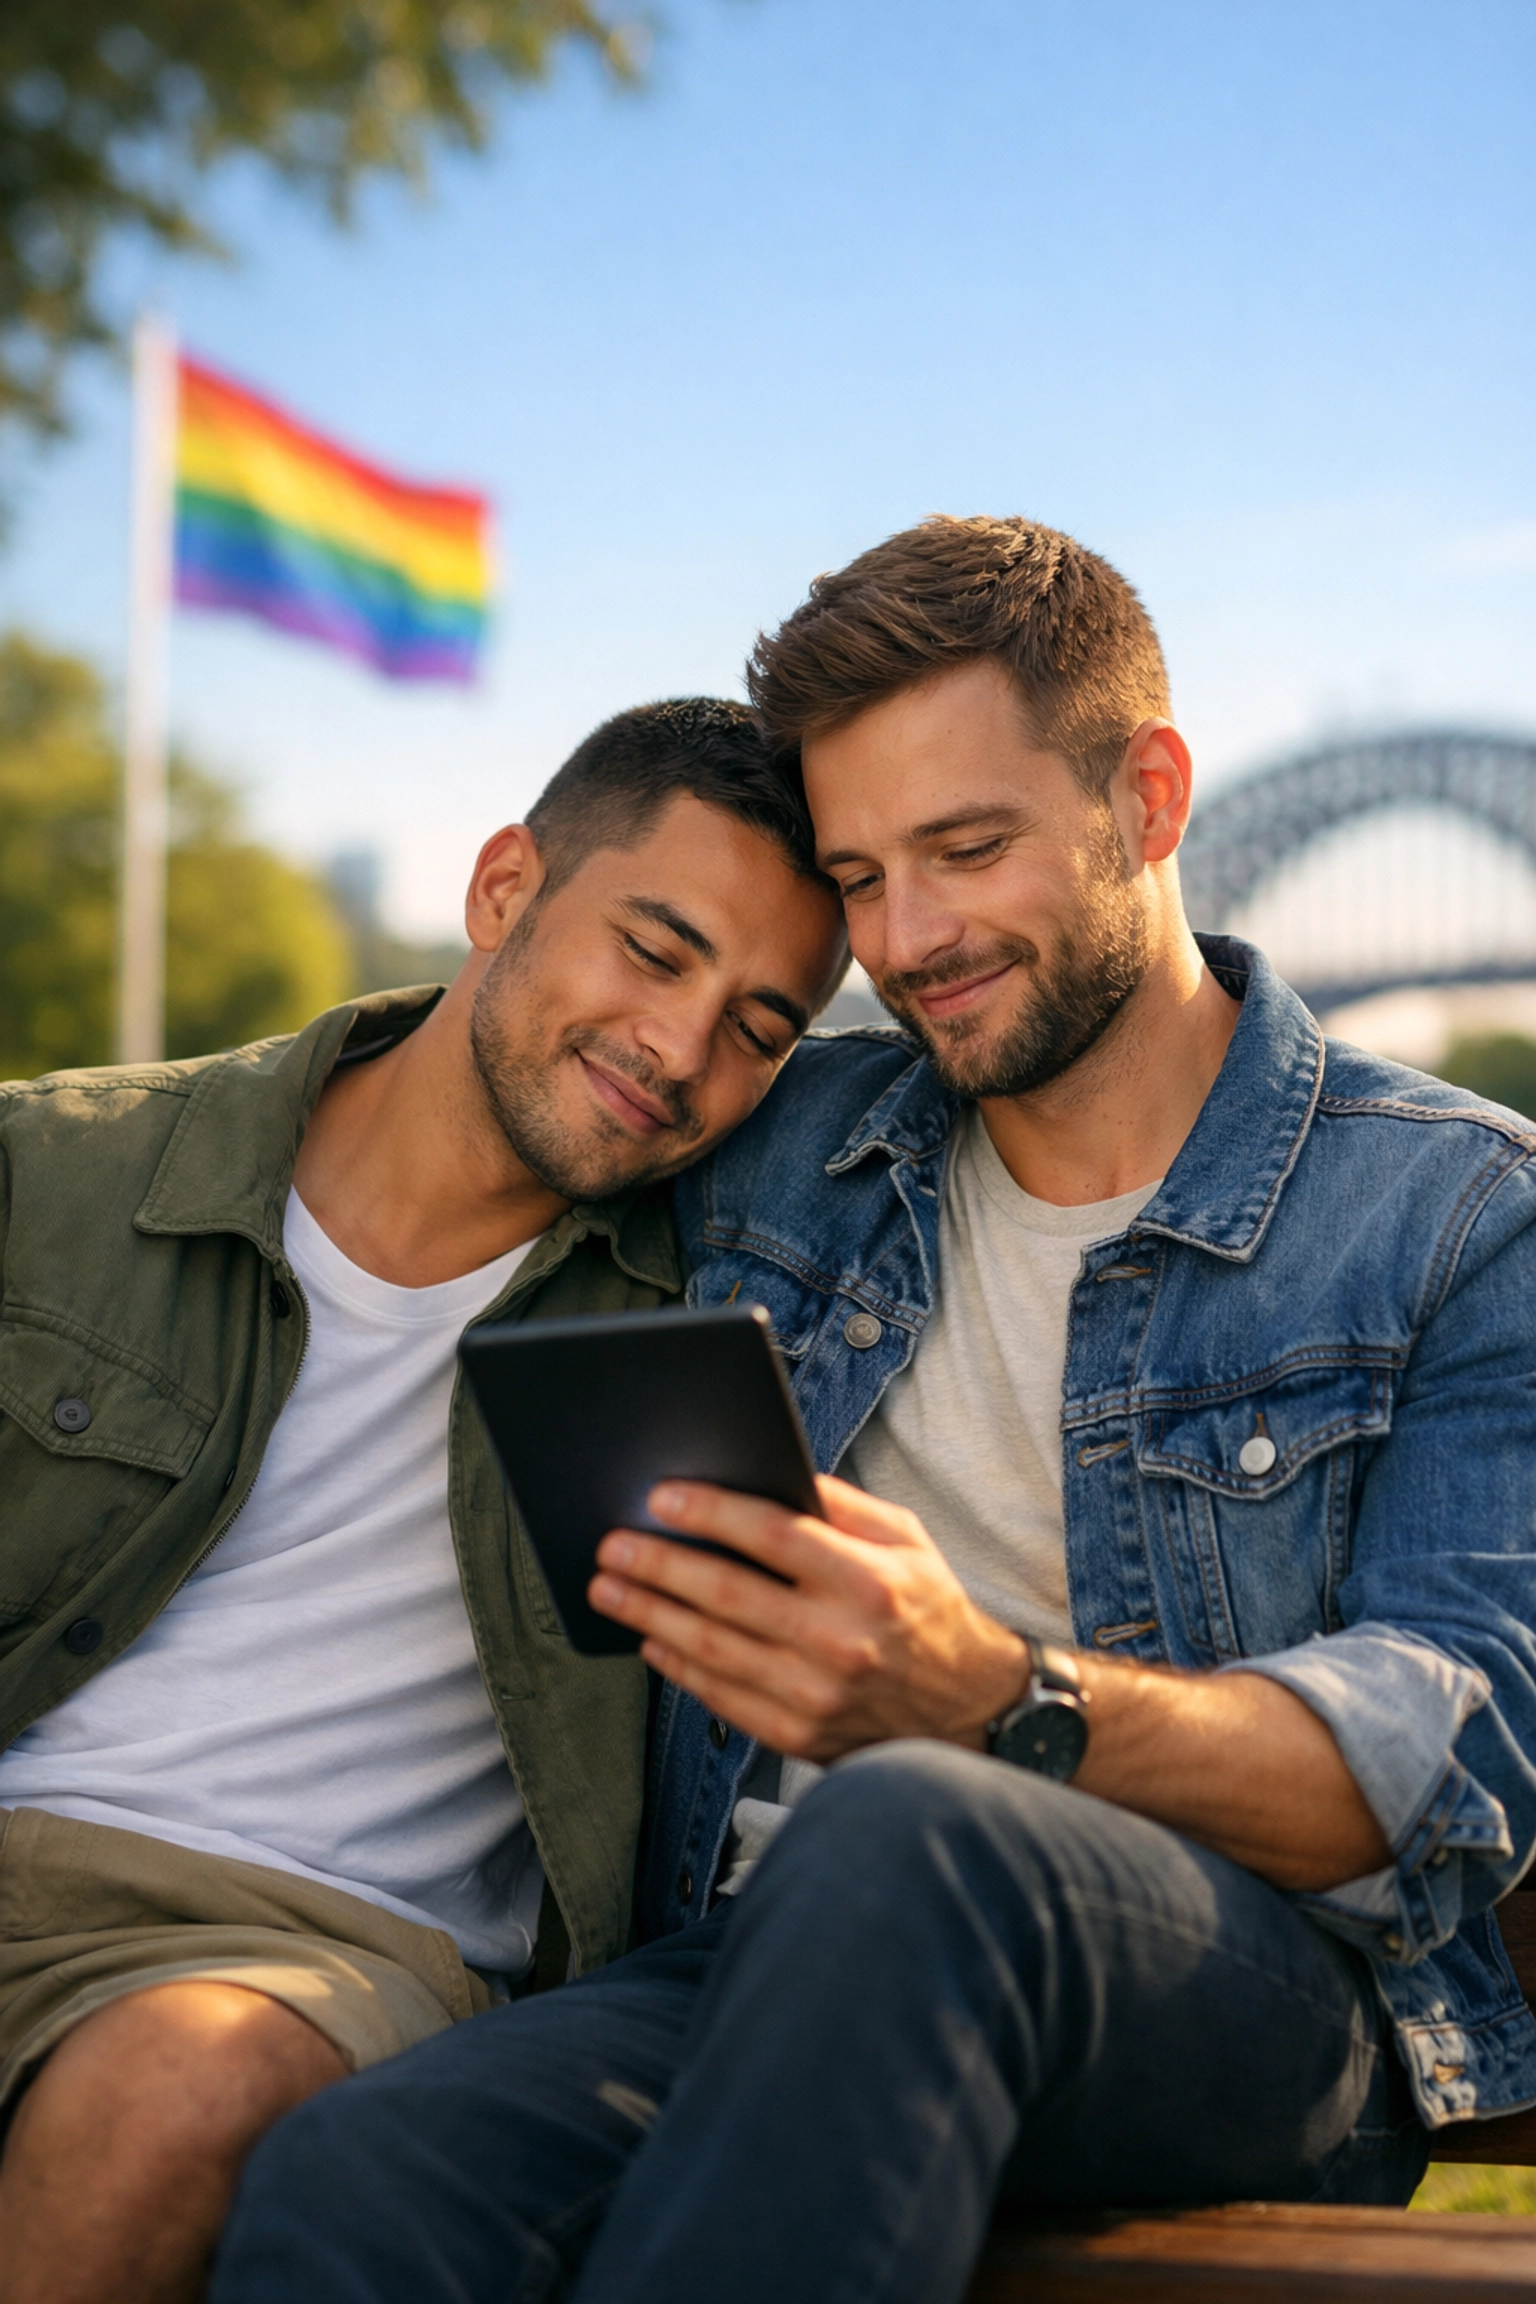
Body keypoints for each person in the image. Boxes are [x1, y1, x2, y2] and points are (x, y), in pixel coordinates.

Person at [214, 519, 1536, 2304]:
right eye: (856, 877)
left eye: (967, 849)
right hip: (766, 1962)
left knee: (912, 1827)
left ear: (1149, 798)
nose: (905, 943)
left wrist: (996, 1700)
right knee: (363, 2182)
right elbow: (499, 1071)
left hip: (1251, 1991)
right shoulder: (784, 1138)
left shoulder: (1459, 1215)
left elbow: (1446, 1766)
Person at [0, 697, 847, 2304]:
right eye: (654, 952)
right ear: (503, 887)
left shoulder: (707, 1314)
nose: (679, 1051)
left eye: (759, 1026)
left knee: (164, 2097)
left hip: (314, 1953)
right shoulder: (58, 1175)